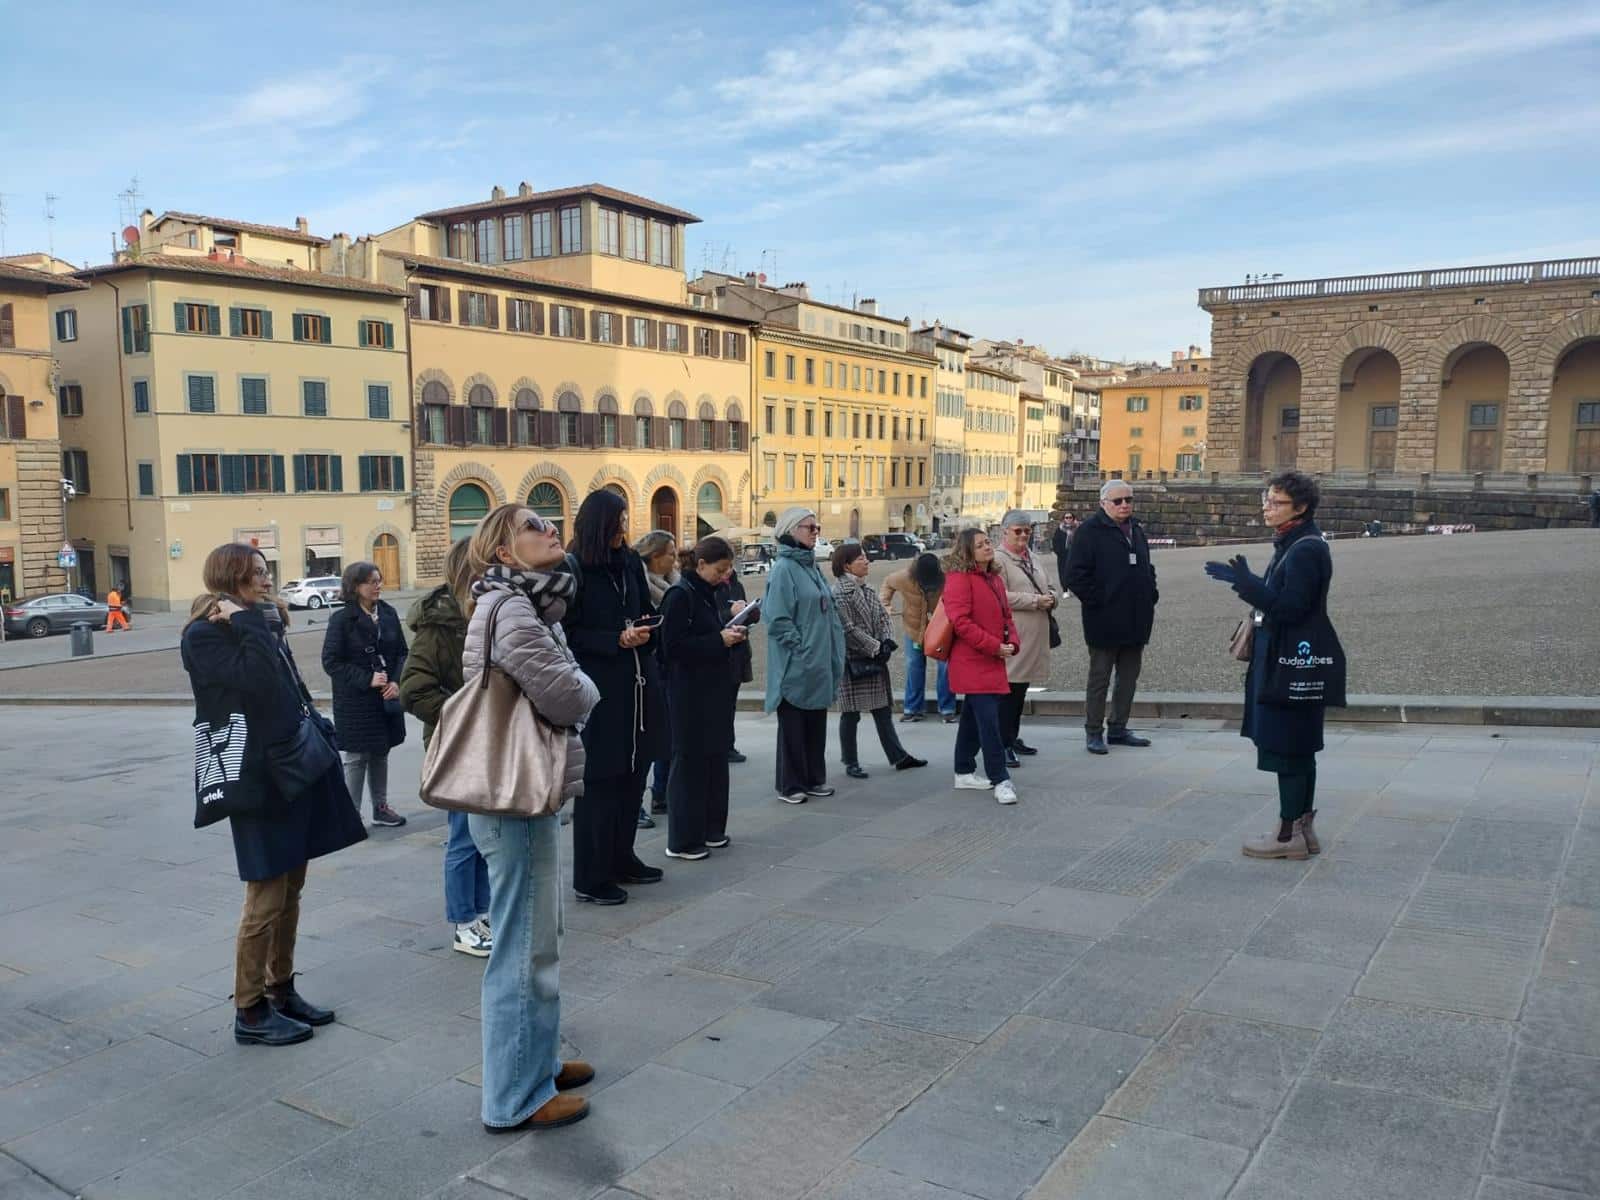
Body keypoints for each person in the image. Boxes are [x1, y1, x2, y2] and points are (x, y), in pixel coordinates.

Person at [181, 544, 366, 1047]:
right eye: (257, 573)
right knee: (264, 897)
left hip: (294, 769)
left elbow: (289, 688)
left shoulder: (263, 623)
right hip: (256, 780)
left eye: (267, 572)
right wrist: (247, 623)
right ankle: (250, 1009)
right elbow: (258, 683)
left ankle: (281, 988)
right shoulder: (204, 634)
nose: (267, 580)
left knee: (291, 890)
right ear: (231, 577)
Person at [463, 503, 601, 1132]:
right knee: (522, 948)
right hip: (513, 794)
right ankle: (515, 1097)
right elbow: (564, 692)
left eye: (550, 523)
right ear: (502, 551)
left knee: (538, 938)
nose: (551, 531)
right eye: (533, 527)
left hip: (523, 791)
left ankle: (538, 1063)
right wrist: (589, 686)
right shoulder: (511, 607)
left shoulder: (524, 602)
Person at [1205, 471, 1337, 859]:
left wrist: (1249, 587)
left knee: (1288, 745)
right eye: (1266, 499)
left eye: (1275, 502)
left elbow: (1292, 608)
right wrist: (1247, 583)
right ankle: (1302, 831)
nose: (1266, 507)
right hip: (1290, 656)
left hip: (1288, 660)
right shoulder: (1293, 542)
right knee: (1298, 746)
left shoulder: (1306, 548)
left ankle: (1286, 836)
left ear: (1301, 507)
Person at [563, 490, 666, 905]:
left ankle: (622, 857)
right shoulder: (574, 568)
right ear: (598, 525)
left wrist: (645, 629)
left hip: (638, 685)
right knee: (600, 784)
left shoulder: (629, 563)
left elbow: (640, 607)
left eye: (625, 520)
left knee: (633, 776)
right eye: (617, 521)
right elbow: (567, 634)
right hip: (599, 691)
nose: (624, 528)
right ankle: (590, 876)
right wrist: (614, 639)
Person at [399, 538, 491, 958]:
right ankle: (463, 922)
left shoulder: (487, 613)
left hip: (487, 742)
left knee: (485, 835)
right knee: (463, 836)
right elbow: (414, 690)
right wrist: (462, 715)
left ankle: (482, 911)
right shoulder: (440, 626)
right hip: (456, 744)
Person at [657, 536, 749, 860]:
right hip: (687, 694)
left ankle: (711, 829)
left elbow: (709, 633)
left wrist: (730, 634)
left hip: (713, 692)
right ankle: (682, 839)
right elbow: (673, 648)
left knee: (713, 761)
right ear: (700, 565)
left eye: (728, 570)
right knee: (689, 765)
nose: (725, 577)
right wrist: (718, 640)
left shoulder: (710, 592)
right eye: (720, 570)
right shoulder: (680, 595)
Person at [1064, 480, 1158, 755]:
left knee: (1128, 678)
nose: (1124, 505)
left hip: (1136, 618)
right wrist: (1099, 602)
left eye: (1128, 499)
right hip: (1104, 620)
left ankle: (1118, 727)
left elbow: (1145, 565)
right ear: (1103, 503)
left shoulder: (1136, 529)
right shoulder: (1089, 532)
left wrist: (1151, 593)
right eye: (1117, 501)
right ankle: (1094, 731)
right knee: (1099, 678)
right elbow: (1075, 576)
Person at [763, 506, 845, 804]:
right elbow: (777, 618)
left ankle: (813, 778)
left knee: (814, 724)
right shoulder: (784, 569)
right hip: (797, 663)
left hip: (818, 661)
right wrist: (800, 649)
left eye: (817, 527)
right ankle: (790, 783)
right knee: (793, 727)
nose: (815, 532)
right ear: (791, 530)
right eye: (809, 527)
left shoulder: (810, 565)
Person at [321, 561, 409, 827]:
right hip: (356, 701)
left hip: (385, 698)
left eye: (379, 580)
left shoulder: (389, 613)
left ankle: (380, 808)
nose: (377, 586)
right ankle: (351, 816)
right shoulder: (342, 619)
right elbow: (331, 661)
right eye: (371, 581)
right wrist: (366, 678)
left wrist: (396, 681)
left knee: (381, 751)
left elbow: (402, 652)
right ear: (355, 586)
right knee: (358, 757)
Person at [830, 543, 927, 779]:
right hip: (853, 660)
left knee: (882, 709)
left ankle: (898, 756)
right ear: (847, 565)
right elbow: (847, 629)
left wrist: (885, 641)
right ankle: (850, 761)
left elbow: (883, 616)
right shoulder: (839, 593)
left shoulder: (867, 588)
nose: (867, 562)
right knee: (850, 713)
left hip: (873, 657)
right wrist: (875, 647)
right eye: (861, 558)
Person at [942, 528, 1020, 805]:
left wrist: (1013, 642)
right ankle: (1000, 779)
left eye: (988, 542)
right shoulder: (959, 579)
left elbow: (1006, 616)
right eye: (980, 545)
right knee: (989, 722)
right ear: (967, 551)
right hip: (973, 661)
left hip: (991, 658)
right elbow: (960, 622)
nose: (987, 547)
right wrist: (993, 645)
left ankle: (963, 771)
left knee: (974, 719)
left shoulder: (994, 578)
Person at [994, 510, 1058, 767]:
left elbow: (1049, 585)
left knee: (1020, 691)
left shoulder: (1032, 557)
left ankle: (1013, 736)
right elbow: (1000, 595)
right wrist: (1034, 601)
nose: (1023, 535)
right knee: (1009, 692)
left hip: (1035, 634)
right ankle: (1002, 743)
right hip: (1015, 634)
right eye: (1017, 531)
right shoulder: (999, 560)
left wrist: (1051, 597)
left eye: (1027, 531)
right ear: (1005, 532)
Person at [634, 529, 678, 829]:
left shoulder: (674, 584)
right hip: (648, 672)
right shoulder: (640, 585)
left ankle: (662, 793)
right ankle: (637, 803)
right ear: (654, 557)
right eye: (670, 554)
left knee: (667, 737)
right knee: (647, 742)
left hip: (669, 669)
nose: (676, 559)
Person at [882, 552, 958, 724]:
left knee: (945, 668)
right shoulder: (904, 577)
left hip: (941, 630)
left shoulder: (946, 576)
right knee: (914, 666)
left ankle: (947, 709)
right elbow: (887, 583)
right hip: (914, 628)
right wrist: (885, 604)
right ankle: (913, 709)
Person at [719, 566, 755, 761]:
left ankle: (728, 744)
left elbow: (745, 615)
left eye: (730, 565)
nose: (727, 570)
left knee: (730, 703)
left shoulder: (736, 584)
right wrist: (729, 612)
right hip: (722, 651)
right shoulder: (711, 586)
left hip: (738, 649)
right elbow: (713, 617)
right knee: (721, 704)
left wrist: (751, 612)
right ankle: (722, 745)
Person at [1051, 514, 1075, 595]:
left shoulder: (1078, 528)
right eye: (1066, 517)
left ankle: (1073, 587)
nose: (1068, 519)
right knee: (1063, 571)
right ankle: (1065, 589)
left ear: (1073, 518)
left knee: (1074, 571)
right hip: (1063, 554)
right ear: (1064, 519)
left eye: (1070, 517)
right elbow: (1055, 541)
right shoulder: (1060, 529)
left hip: (1074, 554)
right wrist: (1058, 551)